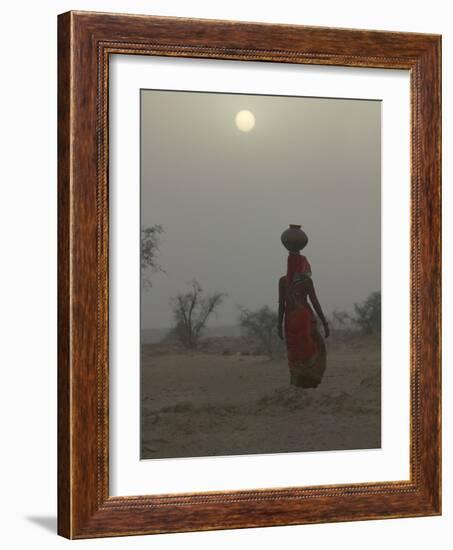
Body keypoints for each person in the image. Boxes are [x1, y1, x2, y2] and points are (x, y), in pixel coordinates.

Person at [278, 252, 329, 388]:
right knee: (313, 347)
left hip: (290, 320)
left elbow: (281, 304)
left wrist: (279, 324)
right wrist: (324, 322)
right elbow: (315, 302)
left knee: (295, 351)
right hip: (305, 318)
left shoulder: (283, 281)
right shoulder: (306, 281)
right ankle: (310, 382)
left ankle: (298, 382)